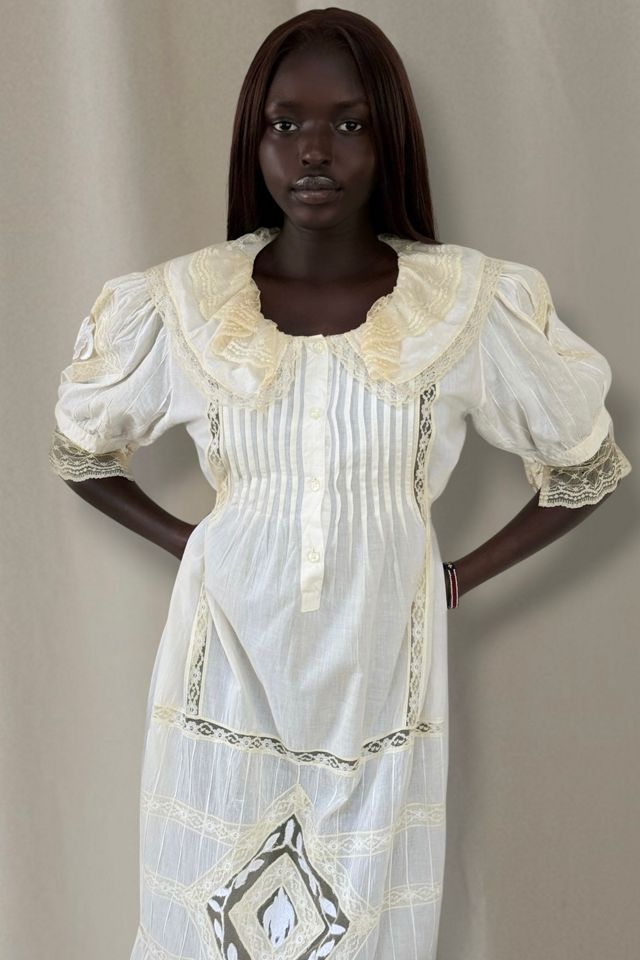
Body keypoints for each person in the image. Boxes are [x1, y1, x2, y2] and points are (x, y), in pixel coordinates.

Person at [48, 8, 632, 960]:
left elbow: (585, 467)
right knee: (204, 927)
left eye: (349, 123)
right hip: (223, 675)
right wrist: (195, 544)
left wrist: (453, 578)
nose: (313, 150)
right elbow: (81, 450)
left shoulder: (464, 305)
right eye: (286, 123)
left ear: (388, 137)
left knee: (366, 929)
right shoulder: (187, 304)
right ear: (255, 141)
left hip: (380, 680)